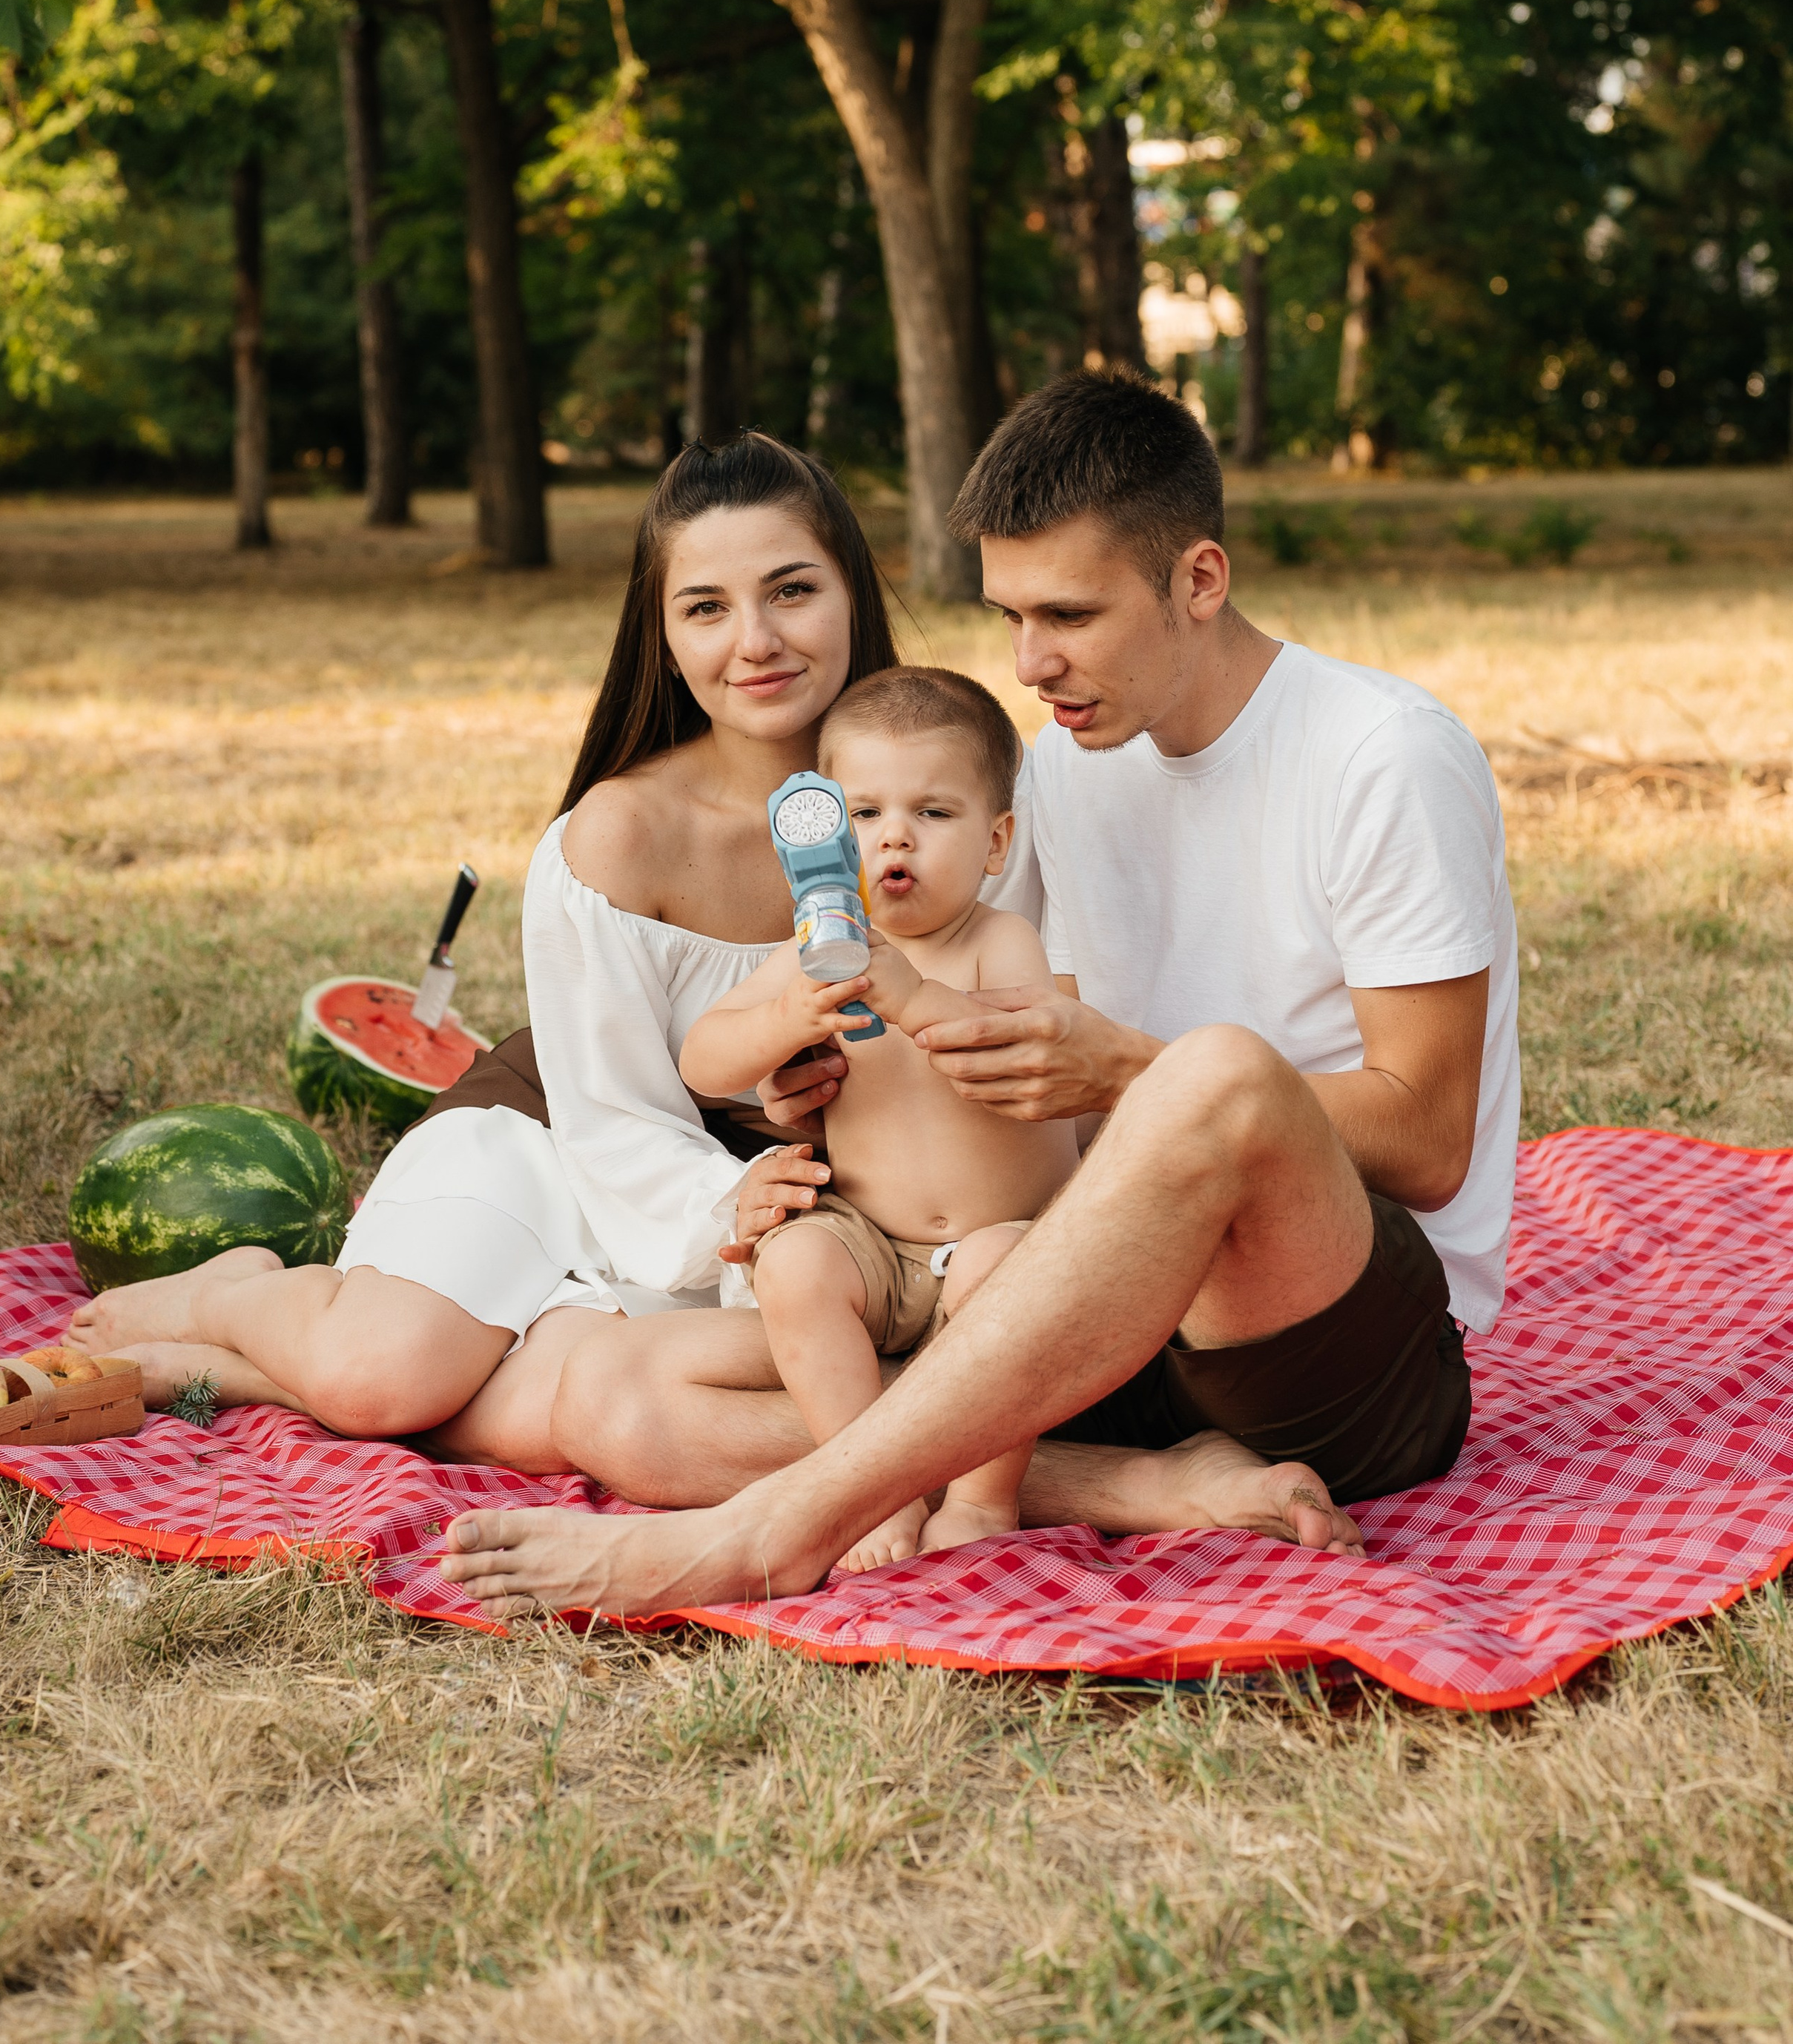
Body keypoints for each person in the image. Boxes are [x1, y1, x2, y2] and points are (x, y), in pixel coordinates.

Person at [436, 366, 1521, 1618]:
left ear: (1200, 581)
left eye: (1068, 612)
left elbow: (1431, 1138)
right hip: (1100, 1295)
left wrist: (1123, 1072)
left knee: (1214, 1073)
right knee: (625, 1388)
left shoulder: (1380, 756)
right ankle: (1139, 1480)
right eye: (1009, 614)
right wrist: (831, 1090)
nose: (1030, 659)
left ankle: (776, 1528)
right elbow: (997, 1034)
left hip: (1320, 1344)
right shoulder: (1062, 766)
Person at [64, 432, 904, 1445]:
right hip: (570, 1133)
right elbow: (613, 1117)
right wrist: (736, 1198)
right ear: (664, 637)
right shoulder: (616, 839)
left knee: (533, 1410)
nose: (756, 641)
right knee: (384, 1382)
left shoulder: (938, 798)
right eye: (707, 608)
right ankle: (234, 1299)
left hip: (787, 1192)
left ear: (853, 591)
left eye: (793, 591)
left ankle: (229, 1382)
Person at [682, 667, 1074, 1572]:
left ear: (994, 841)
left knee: (1006, 1269)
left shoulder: (998, 941)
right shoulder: (813, 951)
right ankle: (866, 1482)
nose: (895, 835)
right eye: (861, 813)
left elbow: (1010, 1037)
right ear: (814, 830)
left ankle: (982, 1498)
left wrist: (910, 991)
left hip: (996, 1238)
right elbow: (704, 1059)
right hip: (872, 1243)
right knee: (794, 1258)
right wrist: (788, 1019)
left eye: (934, 813)